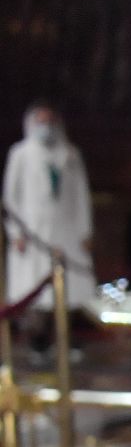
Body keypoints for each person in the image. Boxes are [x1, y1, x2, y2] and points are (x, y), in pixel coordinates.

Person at [2, 101, 93, 311]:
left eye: (50, 121)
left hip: (65, 227)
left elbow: (81, 195)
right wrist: (15, 233)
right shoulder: (20, 154)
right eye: (41, 121)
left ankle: (67, 331)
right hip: (32, 229)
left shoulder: (70, 154)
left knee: (69, 285)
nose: (46, 127)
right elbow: (11, 197)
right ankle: (38, 334)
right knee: (33, 285)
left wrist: (85, 231)